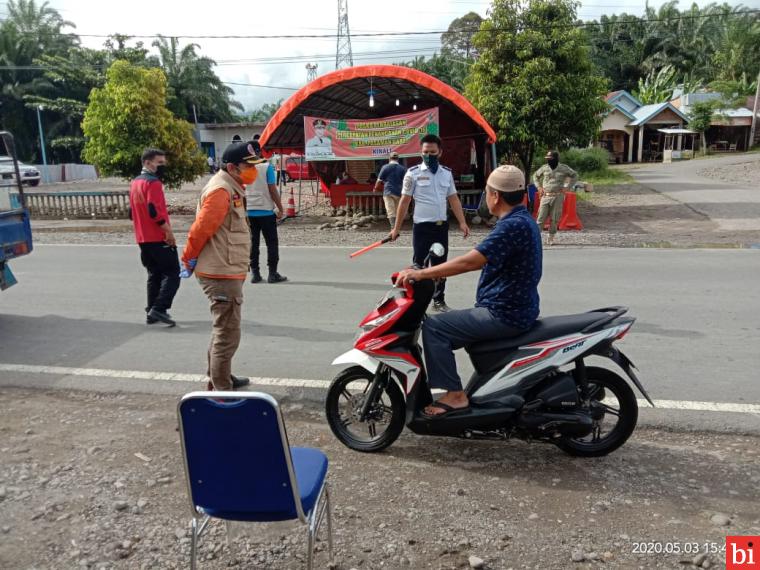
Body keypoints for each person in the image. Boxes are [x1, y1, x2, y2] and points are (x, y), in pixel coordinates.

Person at [395, 165, 542, 417]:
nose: (486, 196)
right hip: (516, 307)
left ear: (495, 196)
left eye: (487, 191)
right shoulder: (522, 220)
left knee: (435, 327)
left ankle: (454, 395)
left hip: (503, 313)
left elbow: (471, 261)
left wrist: (421, 273)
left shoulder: (512, 226)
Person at [180, 142, 263, 391]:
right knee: (227, 334)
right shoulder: (221, 190)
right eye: (248, 166)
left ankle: (221, 376)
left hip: (225, 268)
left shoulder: (231, 186)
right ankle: (220, 391)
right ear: (231, 167)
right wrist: (187, 258)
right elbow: (200, 229)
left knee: (223, 330)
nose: (252, 170)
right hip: (219, 271)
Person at [389, 134, 470, 313]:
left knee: (441, 266)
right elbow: (404, 201)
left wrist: (462, 222)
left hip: (440, 227)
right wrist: (396, 228)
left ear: (440, 152)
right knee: (419, 266)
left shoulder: (446, 173)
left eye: (432, 152)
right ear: (421, 152)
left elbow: (454, 199)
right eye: (425, 152)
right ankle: (416, 302)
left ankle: (439, 300)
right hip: (422, 227)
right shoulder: (413, 173)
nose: (429, 155)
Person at [128, 148, 180, 327]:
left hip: (142, 237)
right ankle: (160, 307)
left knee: (154, 274)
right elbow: (154, 212)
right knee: (173, 273)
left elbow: (131, 212)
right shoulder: (153, 183)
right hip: (157, 236)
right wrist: (169, 233)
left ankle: (151, 311)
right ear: (148, 162)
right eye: (159, 163)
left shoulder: (135, 182)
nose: (162, 166)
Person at [246, 146, 288, 284]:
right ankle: (272, 273)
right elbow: (272, 190)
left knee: (253, 243)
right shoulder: (266, 167)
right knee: (271, 243)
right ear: (259, 152)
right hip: (266, 211)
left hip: (249, 212)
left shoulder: (242, 168)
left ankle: (255, 274)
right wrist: (280, 208)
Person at [533, 150, 577, 245]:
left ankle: (551, 237)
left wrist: (567, 187)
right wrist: (539, 187)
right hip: (545, 196)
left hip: (558, 196)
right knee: (540, 218)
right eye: (547, 159)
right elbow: (535, 176)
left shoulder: (563, 168)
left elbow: (574, 175)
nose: (548, 160)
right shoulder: (544, 168)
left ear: (556, 159)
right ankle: (536, 238)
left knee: (555, 218)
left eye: (550, 159)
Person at [373, 152, 406, 229]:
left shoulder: (385, 167)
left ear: (389, 158)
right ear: (398, 159)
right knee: (398, 210)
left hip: (388, 191)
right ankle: (398, 227)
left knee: (390, 210)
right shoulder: (402, 168)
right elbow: (405, 181)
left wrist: (375, 188)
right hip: (399, 191)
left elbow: (379, 180)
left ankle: (393, 227)